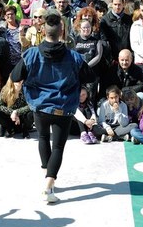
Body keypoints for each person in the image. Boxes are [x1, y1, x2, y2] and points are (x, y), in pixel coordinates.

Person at [11, 12, 94, 203]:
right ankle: (49, 186)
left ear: (43, 30)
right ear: (61, 32)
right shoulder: (73, 56)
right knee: (57, 146)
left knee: (42, 137)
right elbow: (90, 77)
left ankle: (47, 177)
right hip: (63, 107)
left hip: (40, 106)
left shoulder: (32, 53)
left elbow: (15, 76)